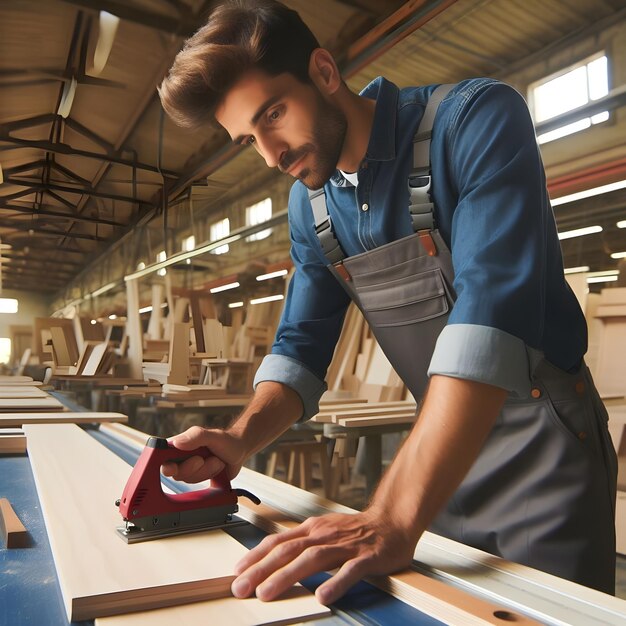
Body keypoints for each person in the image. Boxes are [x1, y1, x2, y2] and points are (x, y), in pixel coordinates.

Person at [157, 0, 618, 604]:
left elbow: (490, 321)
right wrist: (240, 438)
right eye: (250, 138)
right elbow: (301, 348)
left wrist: (394, 516)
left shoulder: (475, 121)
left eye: (274, 114)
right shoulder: (311, 208)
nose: (271, 153)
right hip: (439, 458)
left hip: (546, 454)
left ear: (323, 73)